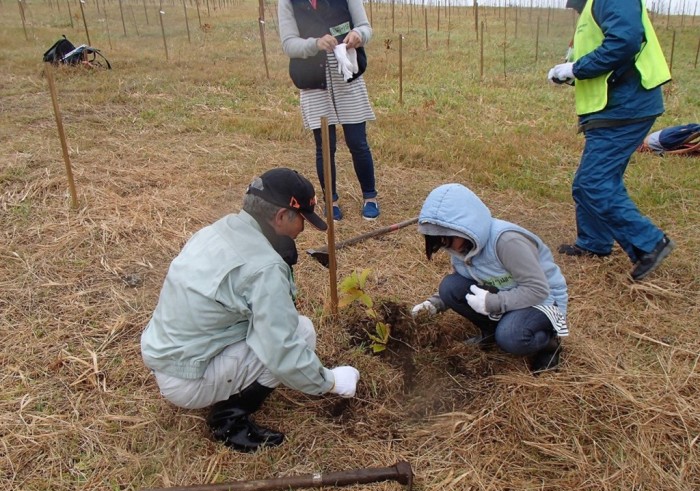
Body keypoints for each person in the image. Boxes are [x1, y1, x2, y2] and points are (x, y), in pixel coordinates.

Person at [140, 168, 360, 452]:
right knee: (302, 332)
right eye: (302, 220)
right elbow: (281, 348)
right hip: (186, 378)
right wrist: (330, 382)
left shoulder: (217, 230)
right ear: (281, 216)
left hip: (168, 353)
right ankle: (229, 419)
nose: (302, 230)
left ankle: (224, 391)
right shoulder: (264, 268)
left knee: (282, 329)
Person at [548, 0, 674, 281]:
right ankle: (594, 242)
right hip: (611, 106)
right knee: (592, 182)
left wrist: (577, 68)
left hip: (626, 105)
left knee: (594, 182)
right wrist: (570, 70)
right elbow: (603, 50)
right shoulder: (591, 5)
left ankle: (649, 242)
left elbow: (625, 41)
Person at [411, 184, 569, 374]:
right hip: (508, 295)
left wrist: (493, 302)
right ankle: (492, 332)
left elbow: (538, 289)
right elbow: (461, 280)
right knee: (450, 287)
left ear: (465, 227)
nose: (445, 246)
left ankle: (548, 343)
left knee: (510, 335)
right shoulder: (462, 246)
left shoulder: (507, 242)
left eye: (447, 238)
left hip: (544, 301)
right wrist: (434, 304)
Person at [278, 0, 379, 222]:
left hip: (347, 78)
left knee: (358, 142)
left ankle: (370, 197)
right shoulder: (288, 2)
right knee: (325, 147)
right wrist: (314, 44)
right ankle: (330, 200)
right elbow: (288, 44)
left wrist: (358, 35)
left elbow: (365, 27)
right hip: (314, 82)